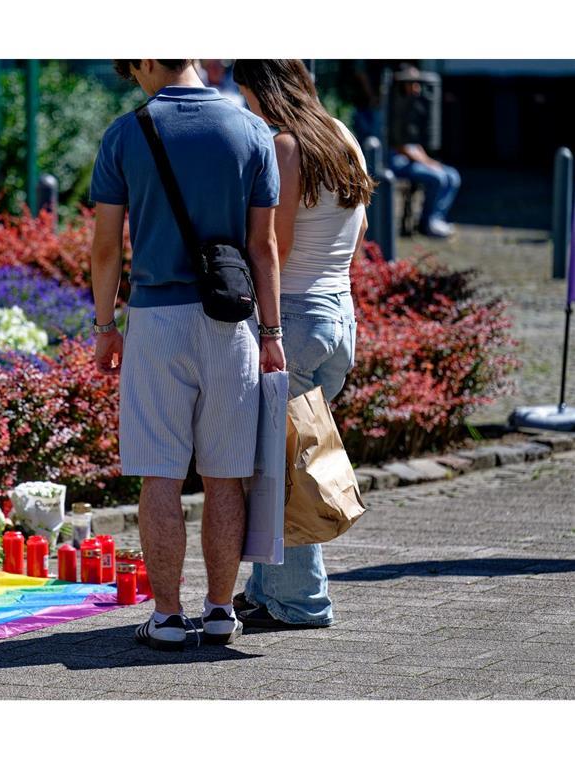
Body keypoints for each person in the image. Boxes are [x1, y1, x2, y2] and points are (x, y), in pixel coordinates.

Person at [90, 59, 284, 650]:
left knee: (161, 475)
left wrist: (104, 325)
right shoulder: (251, 130)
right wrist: (272, 334)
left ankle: (168, 617)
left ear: (150, 60)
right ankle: (223, 610)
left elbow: (105, 248)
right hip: (233, 320)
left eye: (133, 69)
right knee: (227, 476)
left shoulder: (127, 132)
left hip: (155, 319)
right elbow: (264, 247)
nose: (135, 80)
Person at [231, 59, 374, 630]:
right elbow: (359, 231)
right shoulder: (342, 136)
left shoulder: (286, 147)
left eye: (247, 97)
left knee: (282, 466)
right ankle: (267, 590)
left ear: (264, 91)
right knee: (290, 454)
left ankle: (301, 602)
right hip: (338, 317)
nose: (247, 109)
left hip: (294, 317)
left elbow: (277, 246)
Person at [388, 64, 460, 238]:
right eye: (413, 83)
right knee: (438, 178)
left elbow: (414, 144)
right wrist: (428, 164)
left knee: (452, 175)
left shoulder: (413, 106)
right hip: (396, 162)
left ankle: (437, 218)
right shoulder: (394, 107)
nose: (417, 87)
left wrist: (430, 161)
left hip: (413, 159)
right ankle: (427, 223)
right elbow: (401, 146)